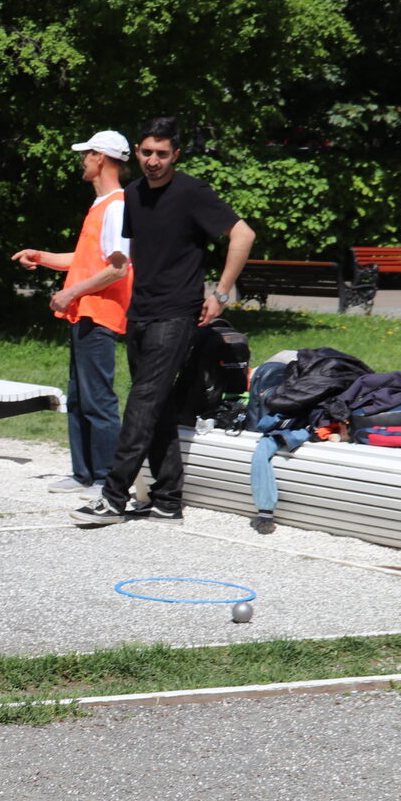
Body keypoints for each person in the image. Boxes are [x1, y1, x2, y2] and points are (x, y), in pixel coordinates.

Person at [71, 116, 255, 526]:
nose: (153, 161)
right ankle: (168, 498)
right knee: (156, 407)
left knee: (141, 402)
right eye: (147, 152)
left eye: (162, 154)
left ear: (176, 154)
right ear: (137, 152)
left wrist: (221, 293)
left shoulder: (192, 192)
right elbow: (133, 257)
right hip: (141, 312)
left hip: (177, 314)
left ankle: (113, 496)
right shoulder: (133, 196)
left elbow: (243, 235)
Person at [10, 130, 134, 494]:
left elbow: (118, 267)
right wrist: (42, 257)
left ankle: (107, 479)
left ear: (101, 159)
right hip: (85, 313)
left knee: (99, 400)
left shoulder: (117, 206)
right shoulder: (102, 205)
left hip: (99, 314)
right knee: (79, 398)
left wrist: (70, 294)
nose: (82, 161)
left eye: (87, 154)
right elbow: (85, 261)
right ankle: (83, 474)